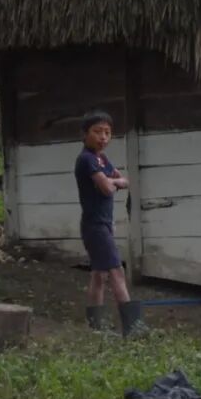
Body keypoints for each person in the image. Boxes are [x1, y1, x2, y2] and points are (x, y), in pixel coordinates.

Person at [74, 111, 149, 338]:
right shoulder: (86, 159)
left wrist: (111, 180)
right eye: (97, 132)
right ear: (85, 134)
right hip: (94, 225)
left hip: (103, 224)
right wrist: (112, 182)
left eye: (107, 132)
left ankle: (96, 326)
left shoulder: (102, 159)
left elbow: (123, 181)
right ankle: (133, 328)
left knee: (99, 275)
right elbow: (107, 189)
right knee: (117, 271)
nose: (103, 137)